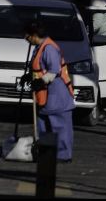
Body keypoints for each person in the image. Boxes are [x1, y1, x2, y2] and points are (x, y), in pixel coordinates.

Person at [22, 22, 75, 163]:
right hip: (44, 95)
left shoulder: (49, 48)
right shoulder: (39, 47)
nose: (25, 39)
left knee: (59, 126)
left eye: (27, 36)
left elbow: (54, 71)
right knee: (43, 125)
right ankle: (46, 153)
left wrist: (41, 81)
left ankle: (63, 156)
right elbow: (38, 68)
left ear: (34, 35)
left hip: (57, 94)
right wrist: (29, 77)